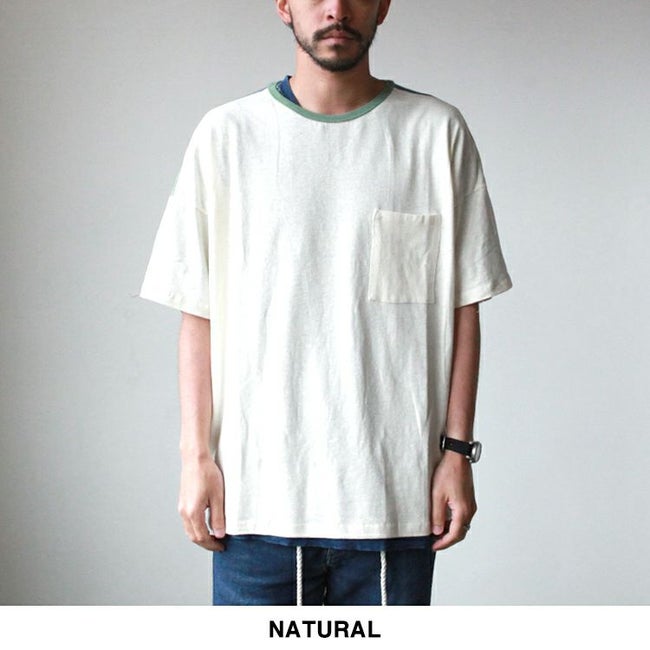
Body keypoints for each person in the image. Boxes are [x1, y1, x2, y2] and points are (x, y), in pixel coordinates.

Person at [140, 0, 512, 606]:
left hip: (395, 500)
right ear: (283, 5)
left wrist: (456, 454)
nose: (336, 9)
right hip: (254, 500)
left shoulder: (435, 133)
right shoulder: (227, 135)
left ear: (383, 6)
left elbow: (462, 308)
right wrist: (194, 457)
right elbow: (197, 312)